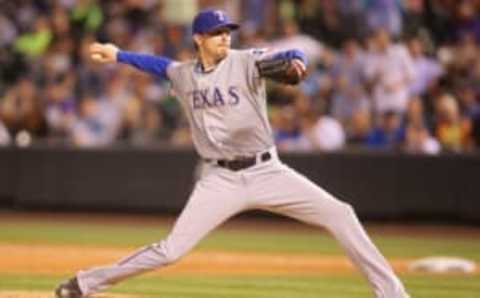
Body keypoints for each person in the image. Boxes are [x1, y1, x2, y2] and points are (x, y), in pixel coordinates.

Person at [55, 9, 409, 298]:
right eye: (216, 32)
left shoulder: (245, 61)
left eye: (227, 31)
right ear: (198, 39)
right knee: (170, 250)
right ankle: (85, 283)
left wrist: (297, 61)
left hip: (267, 171)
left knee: (340, 213)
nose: (225, 36)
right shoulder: (184, 75)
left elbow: (286, 56)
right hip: (219, 178)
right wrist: (118, 55)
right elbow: (157, 65)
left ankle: (392, 294)